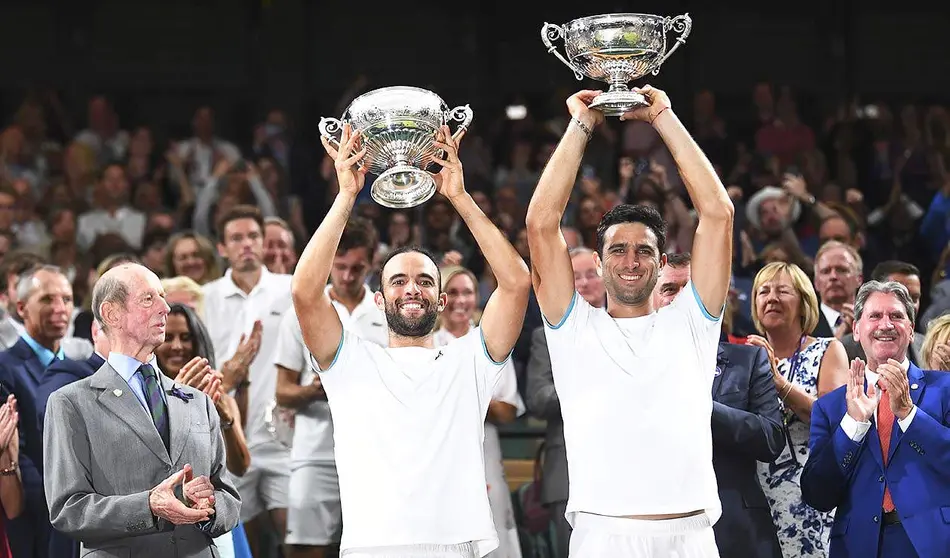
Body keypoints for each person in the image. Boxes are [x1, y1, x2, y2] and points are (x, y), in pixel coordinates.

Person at [292, 123, 530, 557]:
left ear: (441, 300)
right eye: (399, 281)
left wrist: (458, 195)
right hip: (373, 547)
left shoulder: (468, 360)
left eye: (424, 281)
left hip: (454, 547)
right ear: (380, 299)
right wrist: (346, 195)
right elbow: (305, 291)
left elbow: (515, 282)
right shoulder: (351, 362)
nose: (412, 290)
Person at [524, 86, 734, 557]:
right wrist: (581, 123)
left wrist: (662, 115)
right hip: (604, 537)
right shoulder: (571, 326)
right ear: (597, 265)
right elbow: (541, 223)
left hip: (691, 535)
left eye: (644, 251)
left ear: (662, 264)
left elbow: (718, 214)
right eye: (617, 249)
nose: (631, 260)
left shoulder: (693, 321)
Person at [43, 263, 241, 557]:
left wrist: (210, 506)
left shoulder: (198, 400)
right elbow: (68, 510)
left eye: (163, 297)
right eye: (149, 299)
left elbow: (230, 497)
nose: (165, 308)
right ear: (112, 314)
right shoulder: (71, 403)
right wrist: (149, 505)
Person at [801, 281, 950, 558]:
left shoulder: (945, 389)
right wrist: (853, 426)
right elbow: (817, 494)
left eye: (896, 316)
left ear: (910, 328)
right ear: (856, 330)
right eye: (875, 316)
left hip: (932, 545)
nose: (886, 324)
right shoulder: (830, 407)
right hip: (857, 547)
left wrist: (909, 414)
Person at [653, 253, 785, 558]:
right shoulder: (629, 363)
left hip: (736, 529)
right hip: (656, 530)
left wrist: (702, 406)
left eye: (693, 290)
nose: (683, 300)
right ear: (652, 298)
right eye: (671, 289)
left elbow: (771, 439)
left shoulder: (748, 360)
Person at [275, 216, 387, 558]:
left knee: (378, 547)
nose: (348, 276)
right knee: (306, 549)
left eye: (358, 267)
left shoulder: (388, 311)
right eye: (340, 266)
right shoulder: (300, 311)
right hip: (316, 451)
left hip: (377, 452)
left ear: (372, 262)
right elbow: (282, 392)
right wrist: (314, 390)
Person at [745, 261, 849, 557]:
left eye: (782, 291)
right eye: (763, 291)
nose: (771, 297)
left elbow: (834, 421)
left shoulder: (827, 350)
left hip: (811, 497)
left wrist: (778, 382)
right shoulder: (744, 359)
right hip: (758, 500)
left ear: (804, 303)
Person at [0, 264, 90, 558]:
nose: (60, 308)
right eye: (47, 299)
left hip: (83, 517)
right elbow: (15, 447)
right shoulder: (5, 367)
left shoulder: (83, 369)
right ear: (22, 307)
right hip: (34, 515)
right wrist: (64, 500)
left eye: (66, 299)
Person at [434, 265, 524, 558]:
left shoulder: (489, 344)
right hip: (439, 458)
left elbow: (509, 409)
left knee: (496, 538)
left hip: (485, 454)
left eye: (468, 293)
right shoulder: (426, 345)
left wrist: (466, 395)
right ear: (440, 299)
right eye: (453, 292)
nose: (461, 300)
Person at [525, 246, 606, 556]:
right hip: (568, 476)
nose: (585, 283)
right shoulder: (546, 336)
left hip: (626, 467)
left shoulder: (631, 326)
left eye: (591, 275)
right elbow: (538, 398)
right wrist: (584, 382)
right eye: (576, 278)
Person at [154, 302, 253, 558]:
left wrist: (225, 418)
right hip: (165, 520)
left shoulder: (220, 397)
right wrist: (175, 396)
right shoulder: (146, 398)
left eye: (186, 338)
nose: (177, 346)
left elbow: (241, 467)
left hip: (215, 515)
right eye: (169, 337)